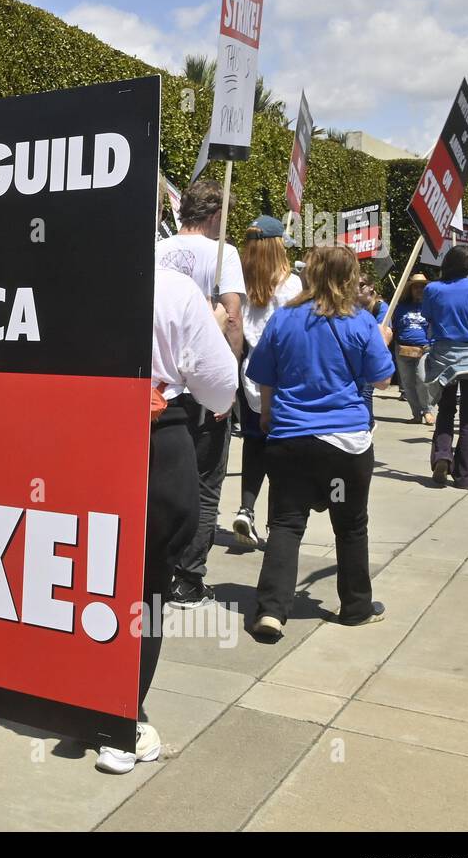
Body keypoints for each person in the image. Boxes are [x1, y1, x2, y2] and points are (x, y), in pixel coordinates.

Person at [97, 266, 237, 773]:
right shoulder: (174, 288)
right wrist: (214, 327)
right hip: (155, 441)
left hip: (76, 432)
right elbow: (221, 389)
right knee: (149, 582)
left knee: (78, 569)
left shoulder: (65, 273)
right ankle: (123, 719)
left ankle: (84, 699)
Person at [246, 246, 394, 638]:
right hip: (344, 448)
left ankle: (271, 610)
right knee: (349, 526)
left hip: (291, 440)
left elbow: (263, 373)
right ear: (349, 278)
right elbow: (382, 379)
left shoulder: (284, 319)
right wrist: (383, 339)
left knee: (286, 524)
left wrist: (266, 411)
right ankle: (356, 605)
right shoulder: (361, 322)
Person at [154, 178, 245, 607]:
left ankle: (159, 565)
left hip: (161, 386)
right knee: (206, 484)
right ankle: (188, 578)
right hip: (201, 384)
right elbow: (234, 319)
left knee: (162, 482)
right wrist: (229, 381)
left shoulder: (156, 251)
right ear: (215, 216)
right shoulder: (224, 253)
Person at [232, 215, 301, 550]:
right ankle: (277, 522)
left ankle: (247, 506)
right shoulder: (292, 286)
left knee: (253, 444)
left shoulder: (239, 282)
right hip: (282, 378)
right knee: (281, 451)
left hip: (248, 376)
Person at [421, 245, 468, 489]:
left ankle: (442, 455)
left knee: (445, 410)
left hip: (444, 356)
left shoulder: (432, 289)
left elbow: (429, 318)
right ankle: (465, 476)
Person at [390, 274, 435, 425]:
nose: (419, 290)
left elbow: (435, 327)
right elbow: (393, 326)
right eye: (416, 287)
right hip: (403, 349)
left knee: (422, 380)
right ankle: (416, 414)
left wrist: (432, 343)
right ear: (411, 289)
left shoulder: (430, 306)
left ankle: (427, 410)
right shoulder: (400, 307)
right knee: (408, 384)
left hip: (424, 348)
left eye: (422, 287)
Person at [355, 277, 391, 428]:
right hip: (356, 353)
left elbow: (381, 331)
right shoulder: (352, 306)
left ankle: (368, 424)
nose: (357, 288)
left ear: (371, 287)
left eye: (361, 285)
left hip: (371, 353)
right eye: (353, 284)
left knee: (367, 391)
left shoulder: (380, 307)